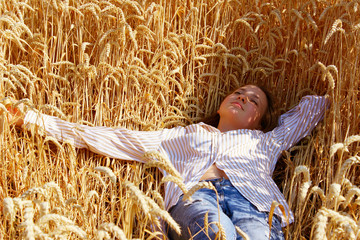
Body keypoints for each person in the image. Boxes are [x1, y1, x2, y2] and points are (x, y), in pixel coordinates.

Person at [6, 84, 329, 240]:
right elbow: (113, 138)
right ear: (220, 104)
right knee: (215, 233)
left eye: (253, 100)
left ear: (258, 120)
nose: (243, 97)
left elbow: (312, 110)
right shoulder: (179, 136)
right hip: (197, 194)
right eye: (239, 92)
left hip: (256, 205)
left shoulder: (265, 141)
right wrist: (32, 119)